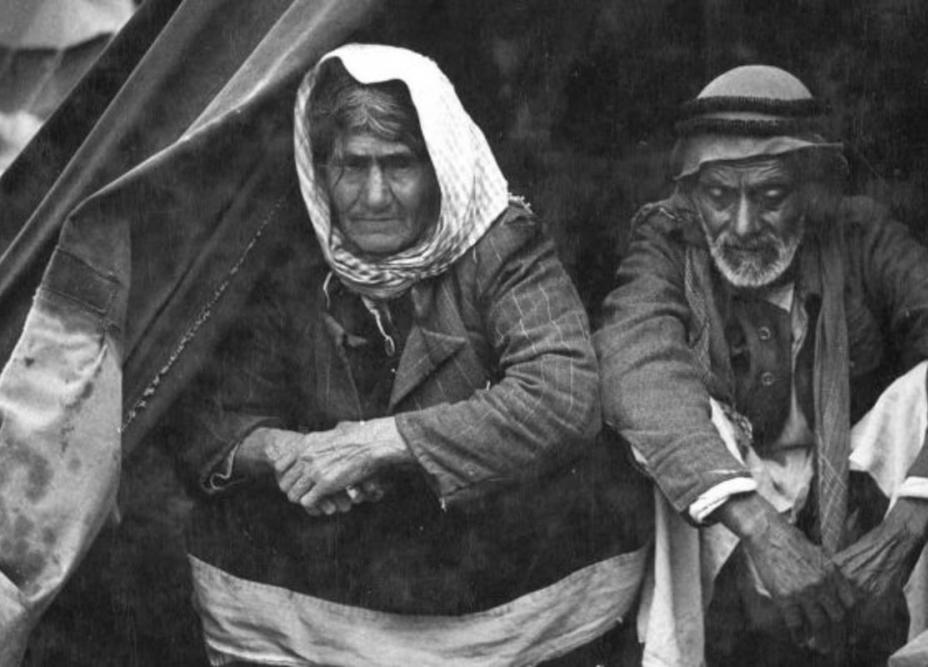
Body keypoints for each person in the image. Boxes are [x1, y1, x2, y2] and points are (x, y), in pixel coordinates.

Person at [164, 44, 647, 666]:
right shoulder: (294, 254)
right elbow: (210, 411)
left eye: (399, 165)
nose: (373, 196)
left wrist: (379, 443)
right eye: (351, 165)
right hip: (341, 587)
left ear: (439, 166)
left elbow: (562, 396)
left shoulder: (501, 246)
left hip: (495, 583)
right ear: (321, 170)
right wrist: (289, 453)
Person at [595, 64, 928, 666]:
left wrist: (905, 527)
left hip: (856, 494)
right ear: (694, 195)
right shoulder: (668, 244)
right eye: (719, 196)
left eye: (770, 197)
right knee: (667, 425)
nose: (742, 225)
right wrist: (760, 526)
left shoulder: (859, 233)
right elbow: (636, 365)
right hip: (733, 505)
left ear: (810, 191)